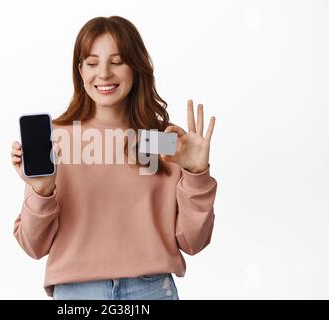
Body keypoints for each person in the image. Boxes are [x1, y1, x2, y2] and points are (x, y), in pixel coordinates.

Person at [11, 16, 217, 300]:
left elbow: (193, 242)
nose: (104, 73)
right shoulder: (56, 140)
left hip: (152, 290)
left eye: (117, 61)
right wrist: (42, 190)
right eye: (93, 63)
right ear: (80, 71)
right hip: (77, 294)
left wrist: (196, 174)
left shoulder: (163, 141)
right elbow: (33, 246)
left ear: (136, 66)